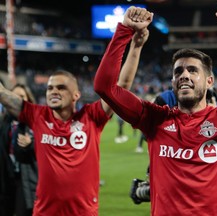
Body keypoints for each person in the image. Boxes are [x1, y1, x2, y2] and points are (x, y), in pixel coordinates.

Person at [94, 2, 217, 215]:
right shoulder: (154, 119)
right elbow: (104, 87)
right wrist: (124, 30)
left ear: (209, 81)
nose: (184, 75)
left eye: (193, 70)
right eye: (178, 71)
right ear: (173, 82)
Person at [0, 9, 151, 216]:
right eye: (50, 88)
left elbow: (121, 86)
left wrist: (135, 46)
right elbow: (4, 94)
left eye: (61, 88)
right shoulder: (37, 115)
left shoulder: (92, 116)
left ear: (76, 95)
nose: (54, 91)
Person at [0, 84, 37, 216]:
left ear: (28, 99)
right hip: (7, 178)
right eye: (13, 96)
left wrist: (32, 143)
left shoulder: (37, 121)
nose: (16, 99)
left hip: (27, 179)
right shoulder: (4, 122)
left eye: (21, 96)